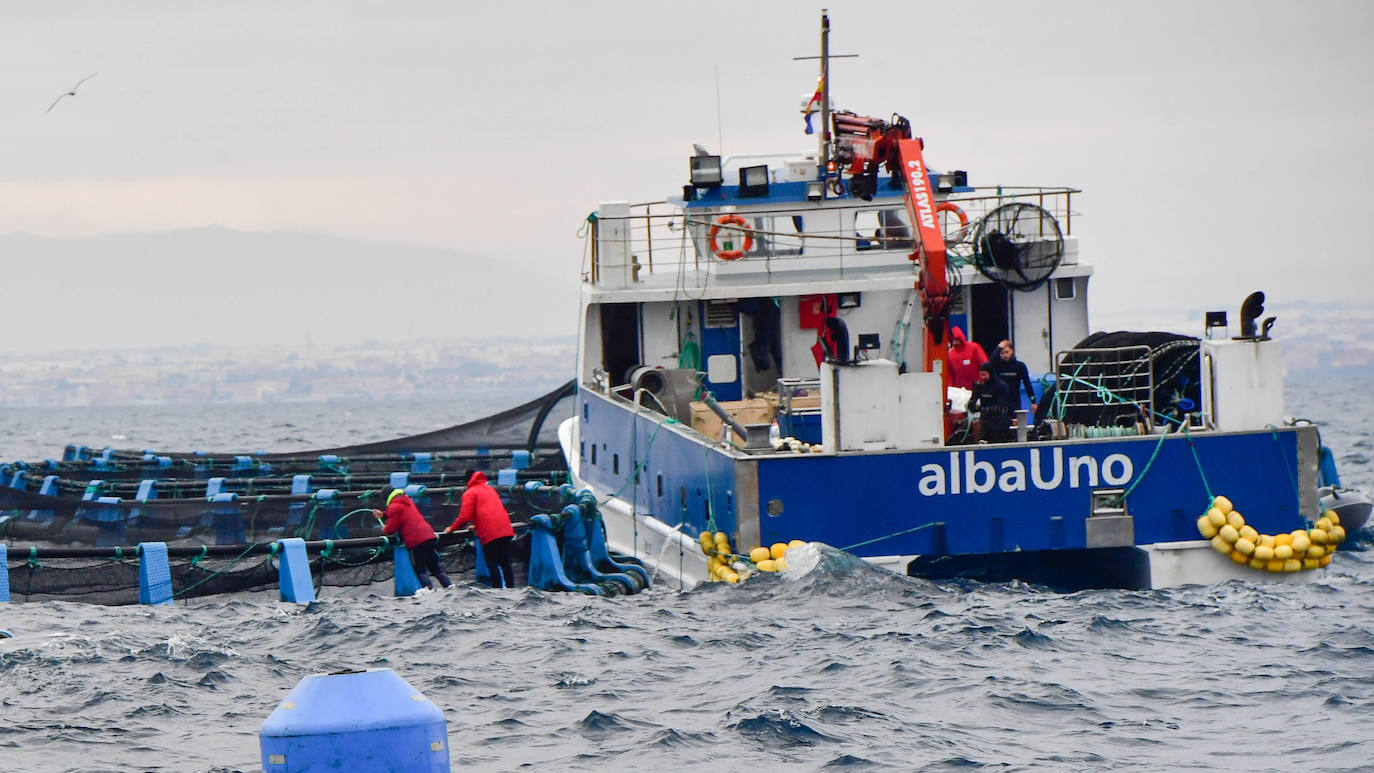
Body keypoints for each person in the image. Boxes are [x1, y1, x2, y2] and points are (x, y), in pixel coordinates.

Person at [442, 469, 516, 588]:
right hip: (505, 529)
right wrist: (477, 526)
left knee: (492, 564)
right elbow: (490, 510)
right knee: (505, 563)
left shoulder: (470, 493)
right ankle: (511, 590)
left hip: (490, 532)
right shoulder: (489, 488)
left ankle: (498, 592)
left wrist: (451, 528)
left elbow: (465, 516)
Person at [377, 487, 452, 591]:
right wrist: (384, 515)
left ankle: (429, 593)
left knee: (420, 570)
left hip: (416, 541)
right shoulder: (407, 500)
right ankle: (450, 588)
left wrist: (384, 528)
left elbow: (390, 529)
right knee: (436, 569)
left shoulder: (393, 507)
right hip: (429, 536)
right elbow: (401, 513)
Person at [968, 361, 1012, 442]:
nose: (982, 377)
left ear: (990, 373)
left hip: (999, 421)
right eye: (981, 375)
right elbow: (972, 401)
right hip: (984, 421)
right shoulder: (980, 387)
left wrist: (982, 409)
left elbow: (1000, 406)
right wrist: (972, 405)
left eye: (984, 375)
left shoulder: (1001, 386)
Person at [994, 340, 1037, 415]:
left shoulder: (1020, 366)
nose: (1005, 355)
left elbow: (1027, 384)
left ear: (1012, 351)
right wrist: (998, 348)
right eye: (1002, 353)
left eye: (1007, 352)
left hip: (1014, 402)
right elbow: (989, 363)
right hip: (1000, 403)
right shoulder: (996, 366)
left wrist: (1033, 402)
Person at [946, 326, 988, 390]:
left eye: (957, 339)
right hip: (960, 390)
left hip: (978, 387)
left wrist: (981, 382)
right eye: (952, 340)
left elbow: (985, 365)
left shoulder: (974, 348)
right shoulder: (950, 355)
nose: (955, 342)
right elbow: (949, 374)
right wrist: (951, 388)